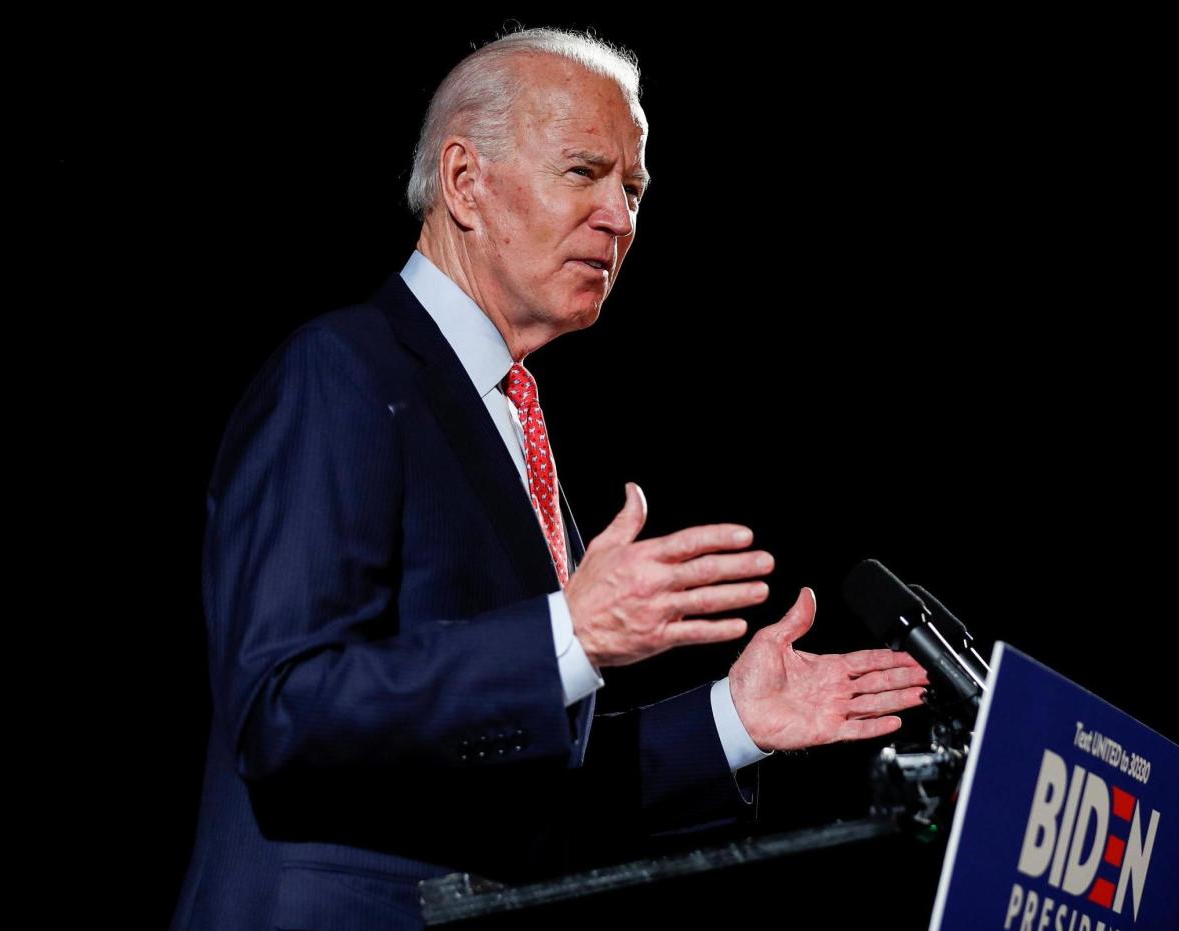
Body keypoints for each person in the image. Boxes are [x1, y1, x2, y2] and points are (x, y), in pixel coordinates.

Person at [169, 26, 929, 931]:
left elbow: (524, 786)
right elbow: (282, 710)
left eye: (636, 188)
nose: (620, 216)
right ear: (463, 182)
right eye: (584, 172)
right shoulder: (342, 372)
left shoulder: (504, 412)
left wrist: (734, 717)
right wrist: (567, 633)